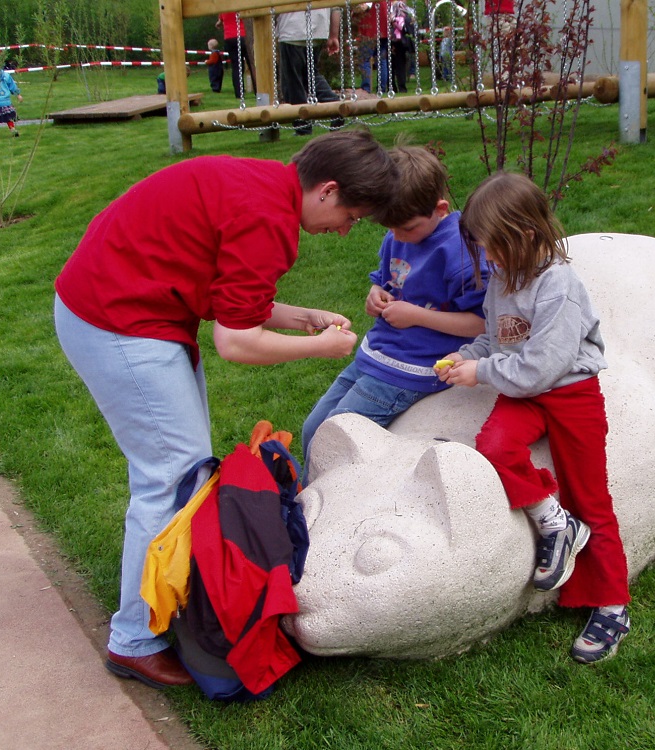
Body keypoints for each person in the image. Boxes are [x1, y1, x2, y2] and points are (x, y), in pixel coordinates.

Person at [53, 130, 399, 690]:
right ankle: (135, 641)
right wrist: (322, 346)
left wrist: (303, 316)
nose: (345, 229)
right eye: (351, 215)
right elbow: (236, 342)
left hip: (123, 308)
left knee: (181, 472)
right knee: (171, 478)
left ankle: (169, 601)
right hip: (118, 322)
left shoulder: (263, 184)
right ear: (327, 190)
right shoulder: (269, 222)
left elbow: (233, 298)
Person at [437, 172, 631, 664]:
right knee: (496, 447)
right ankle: (554, 522)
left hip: (569, 393)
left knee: (591, 496)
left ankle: (611, 604)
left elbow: (542, 367)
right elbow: (499, 340)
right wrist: (468, 356)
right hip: (525, 391)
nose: (488, 260)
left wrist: (481, 372)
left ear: (523, 235)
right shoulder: (505, 278)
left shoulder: (558, 286)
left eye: (492, 248)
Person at [301, 145, 489, 463]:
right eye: (389, 228)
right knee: (312, 429)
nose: (397, 238)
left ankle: (319, 510)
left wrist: (416, 316)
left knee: (335, 445)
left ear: (440, 209)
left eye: (405, 228)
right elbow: (387, 280)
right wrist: (376, 293)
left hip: (412, 370)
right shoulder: (399, 234)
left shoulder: (462, 252)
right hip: (374, 356)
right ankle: (303, 500)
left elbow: (483, 324)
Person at [277, 7, 345, 135]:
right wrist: (333, 35)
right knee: (311, 77)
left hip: (293, 30)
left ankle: (303, 126)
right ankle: (335, 105)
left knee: (293, 82)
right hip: (318, 30)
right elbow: (336, 7)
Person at [216, 11, 257, 99]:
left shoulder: (223, 6)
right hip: (243, 35)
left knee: (236, 67)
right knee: (252, 64)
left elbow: (219, 22)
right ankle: (258, 90)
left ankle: (239, 94)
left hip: (229, 38)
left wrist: (219, 24)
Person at [354, 1, 390, 93]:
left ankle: (366, 89)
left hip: (369, 31)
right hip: (383, 29)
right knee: (381, 61)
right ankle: (381, 88)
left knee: (365, 60)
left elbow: (363, 7)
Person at [389, 0, 415, 93]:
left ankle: (393, 87)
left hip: (393, 39)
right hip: (399, 39)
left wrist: (392, 19)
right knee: (400, 64)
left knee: (392, 64)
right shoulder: (402, 6)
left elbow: (400, 23)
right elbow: (404, 23)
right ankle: (401, 87)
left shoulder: (393, 6)